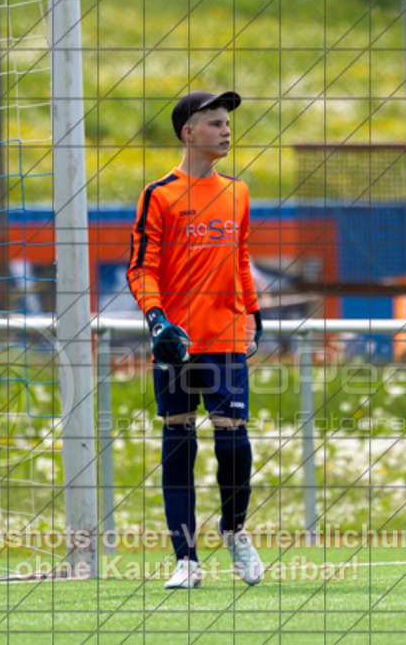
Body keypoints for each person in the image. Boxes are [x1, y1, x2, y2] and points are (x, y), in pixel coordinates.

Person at [127, 90, 265, 589]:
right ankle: (186, 559)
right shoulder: (159, 194)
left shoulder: (239, 192)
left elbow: (241, 257)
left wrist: (252, 309)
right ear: (188, 132)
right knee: (178, 440)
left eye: (227, 123)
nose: (225, 131)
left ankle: (234, 531)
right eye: (214, 123)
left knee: (233, 441)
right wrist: (157, 321)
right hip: (177, 342)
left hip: (226, 336)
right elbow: (141, 268)